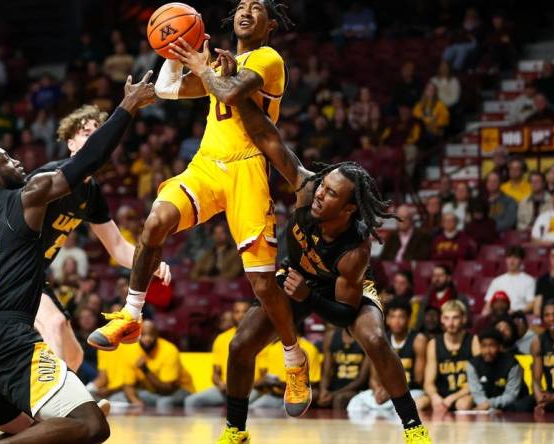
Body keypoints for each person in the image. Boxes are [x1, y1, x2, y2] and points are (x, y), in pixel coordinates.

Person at [89, 1, 315, 426]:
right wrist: (172, 52)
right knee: (155, 220)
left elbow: (229, 92)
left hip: (248, 168)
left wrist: (200, 61)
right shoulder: (222, 61)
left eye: (256, 8)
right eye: (241, 6)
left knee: (264, 285)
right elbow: (172, 90)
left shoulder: (268, 58)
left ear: (270, 24)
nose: (246, 11)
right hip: (207, 164)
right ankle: (131, 315)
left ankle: (294, 359)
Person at [0, 73, 155, 443]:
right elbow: (89, 160)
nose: (18, 162)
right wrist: (128, 106)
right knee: (93, 427)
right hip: (10, 340)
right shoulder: (27, 197)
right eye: (6, 160)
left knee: (41, 434)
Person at [222, 87, 432, 442]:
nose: (321, 194)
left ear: (349, 208)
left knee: (375, 337)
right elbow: (267, 138)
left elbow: (342, 316)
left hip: (338, 293)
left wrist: (308, 296)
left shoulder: (355, 250)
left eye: (332, 194)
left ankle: (413, 428)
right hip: (296, 278)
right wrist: (236, 96)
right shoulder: (307, 189)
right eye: (324, 186)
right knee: (240, 345)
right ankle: (235, 431)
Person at [28, 104, 171, 373]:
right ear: (71, 143)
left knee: (74, 357)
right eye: (85, 133)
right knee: (55, 324)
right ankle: (55, 407)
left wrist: (150, 262)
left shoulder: (91, 192)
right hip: (12, 271)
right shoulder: (49, 177)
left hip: (36, 276)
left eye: (99, 133)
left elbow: (117, 247)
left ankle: (45, 403)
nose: (94, 138)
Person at [347, 299, 429, 413]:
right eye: (393, 317)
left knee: (411, 405)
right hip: (384, 392)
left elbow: (418, 380)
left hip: (410, 390)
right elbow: (373, 379)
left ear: (409, 319)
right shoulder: (378, 340)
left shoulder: (418, 340)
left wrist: (392, 391)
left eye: (401, 317)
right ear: (387, 320)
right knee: (355, 405)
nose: (397, 321)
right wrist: (377, 390)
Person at [108, 320, 194, 409]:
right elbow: (128, 385)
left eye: (151, 335)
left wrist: (145, 369)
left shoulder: (169, 350)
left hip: (179, 390)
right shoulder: (130, 350)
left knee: (164, 402)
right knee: (117, 398)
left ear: (157, 335)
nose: (147, 339)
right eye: (143, 335)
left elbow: (167, 389)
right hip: (151, 392)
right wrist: (136, 402)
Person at [185, 301, 251, 409]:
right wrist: (220, 384)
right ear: (233, 315)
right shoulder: (221, 339)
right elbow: (216, 373)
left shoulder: (258, 338)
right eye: (237, 312)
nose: (240, 315)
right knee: (191, 401)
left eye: (244, 311)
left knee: (245, 405)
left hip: (250, 389)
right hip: (226, 389)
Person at [424, 300, 480, 412]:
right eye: (446, 318)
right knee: (418, 404)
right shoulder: (433, 344)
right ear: (441, 319)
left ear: (463, 319)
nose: (451, 323)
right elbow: (428, 382)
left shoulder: (473, 341)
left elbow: (478, 380)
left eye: (455, 318)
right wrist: (435, 397)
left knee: (462, 405)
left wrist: (453, 397)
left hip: (466, 394)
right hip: (442, 396)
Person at [467, 329, 531, 412]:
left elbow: (511, 395)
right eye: (484, 346)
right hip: (486, 407)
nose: (487, 351)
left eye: (492, 345)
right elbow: (476, 393)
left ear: (499, 346)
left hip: (513, 406)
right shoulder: (473, 365)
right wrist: (487, 406)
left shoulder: (512, 364)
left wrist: (490, 404)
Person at [317, 328, 369, 410]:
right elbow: (326, 372)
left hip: (356, 390)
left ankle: (337, 423)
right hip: (334, 387)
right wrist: (323, 390)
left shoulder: (366, 338)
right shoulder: (330, 336)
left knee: (339, 398)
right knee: (311, 396)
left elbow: (362, 379)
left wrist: (333, 394)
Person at [482, 246, 536, 315]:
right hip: (500, 316)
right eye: (509, 257)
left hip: (519, 316)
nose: (511, 261)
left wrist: (515, 313)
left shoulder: (529, 280)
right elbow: (488, 304)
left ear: (521, 260)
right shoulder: (497, 281)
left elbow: (530, 305)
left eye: (515, 258)